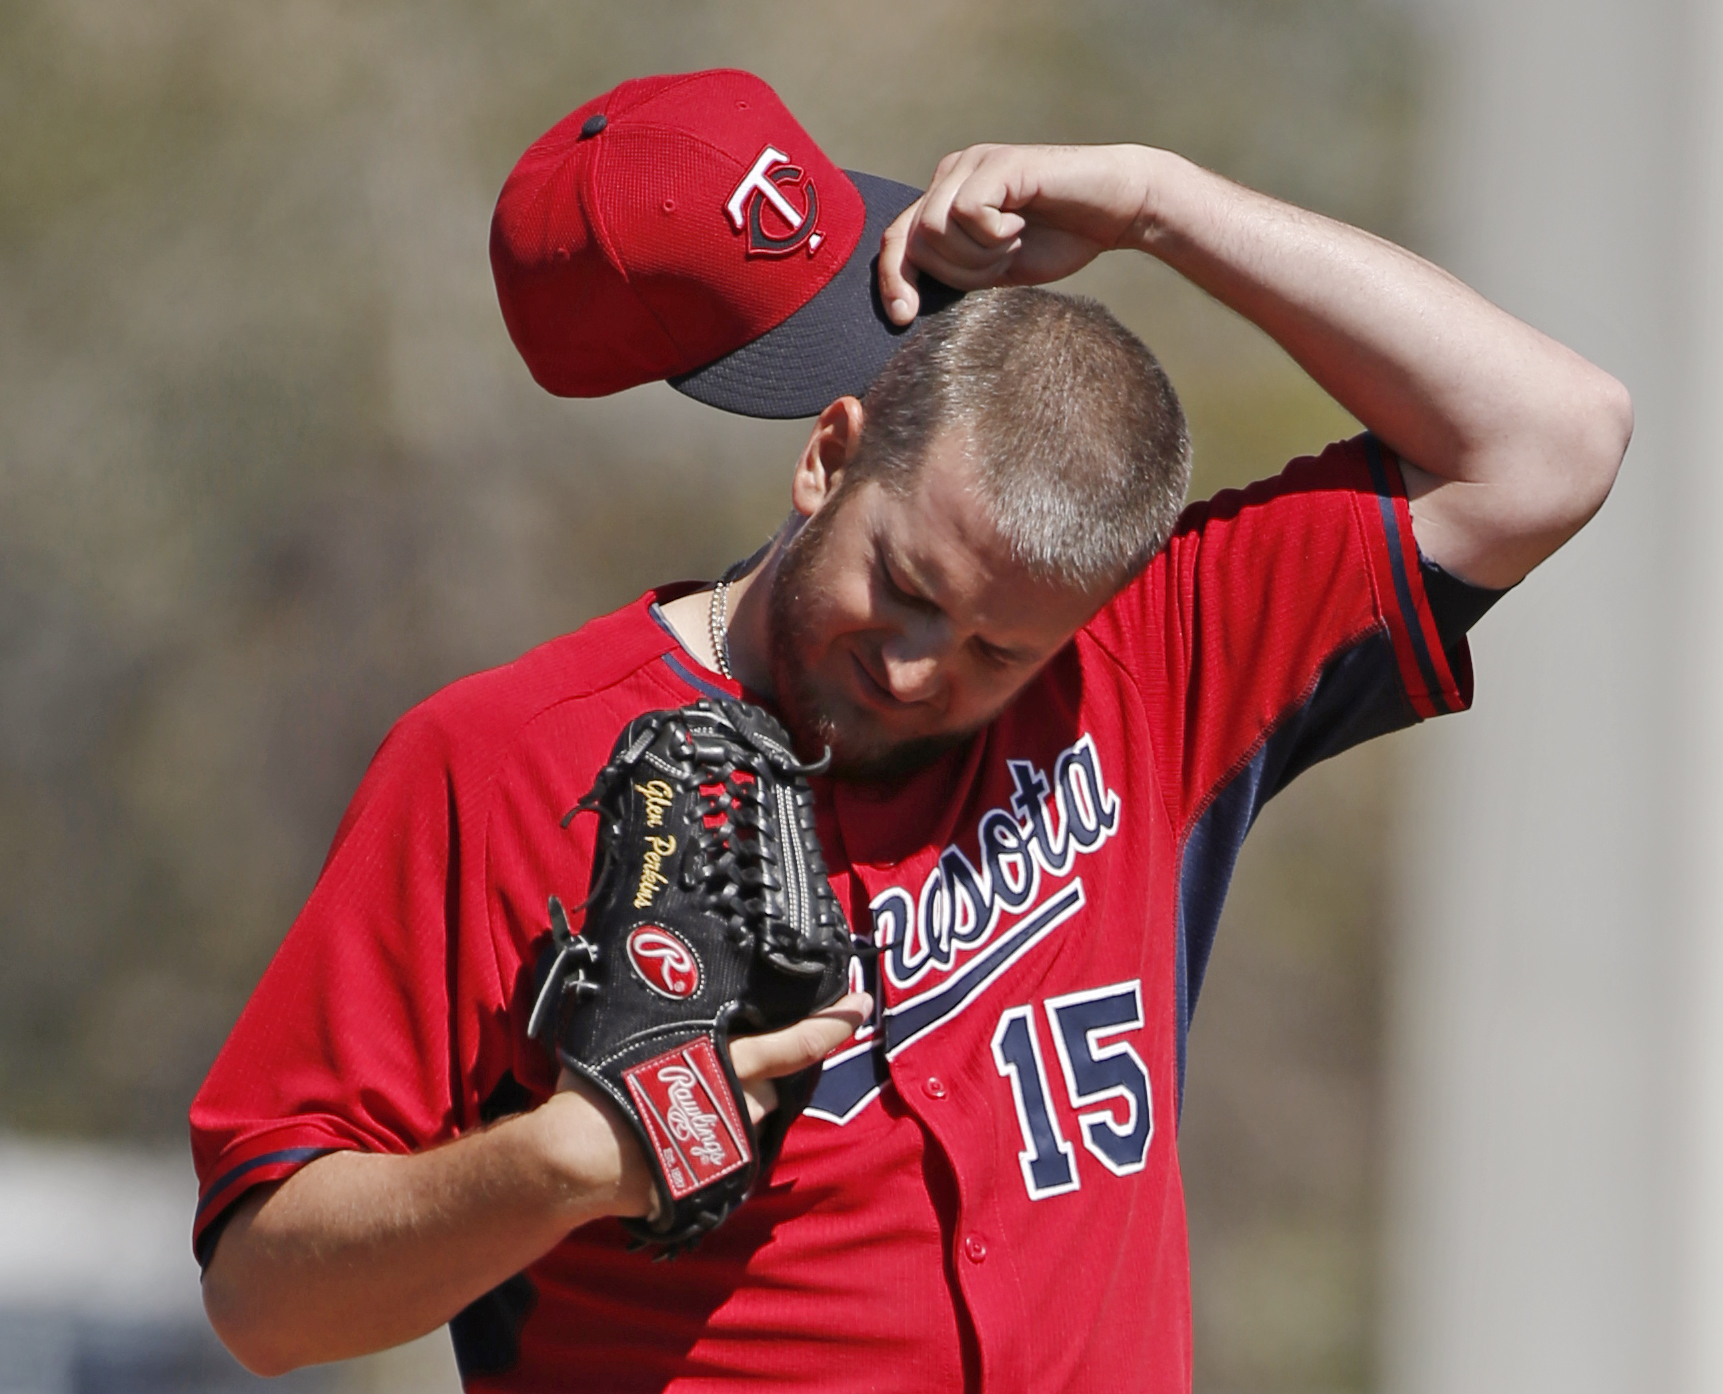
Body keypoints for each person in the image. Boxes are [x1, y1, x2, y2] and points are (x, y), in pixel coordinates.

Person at [190, 70, 1630, 1391]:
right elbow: (265, 1297)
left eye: (1002, 645)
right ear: (827, 459)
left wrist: (1157, 201)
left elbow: (1556, 436)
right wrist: (560, 1161)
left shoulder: (1152, 665)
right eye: (905, 584)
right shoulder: (505, 759)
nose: (919, 665)